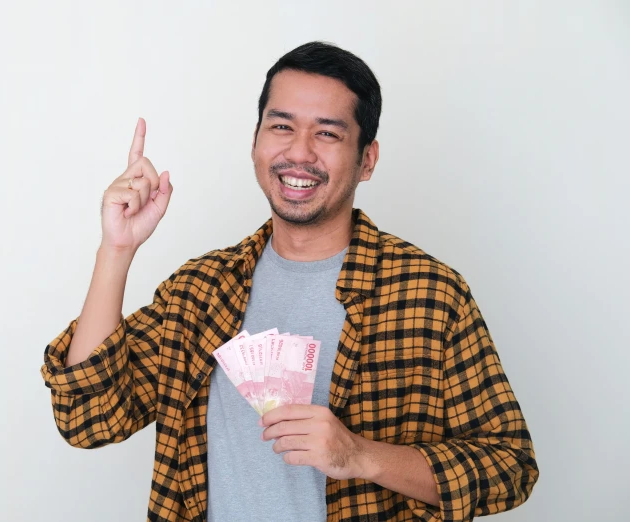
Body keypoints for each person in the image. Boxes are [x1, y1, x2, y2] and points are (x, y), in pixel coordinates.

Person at [40, 41, 539, 522]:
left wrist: (360, 456)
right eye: (281, 126)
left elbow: (510, 467)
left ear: (367, 159)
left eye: (327, 133)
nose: (299, 153)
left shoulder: (431, 296)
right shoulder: (199, 291)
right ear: (256, 142)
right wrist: (117, 249)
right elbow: (88, 417)